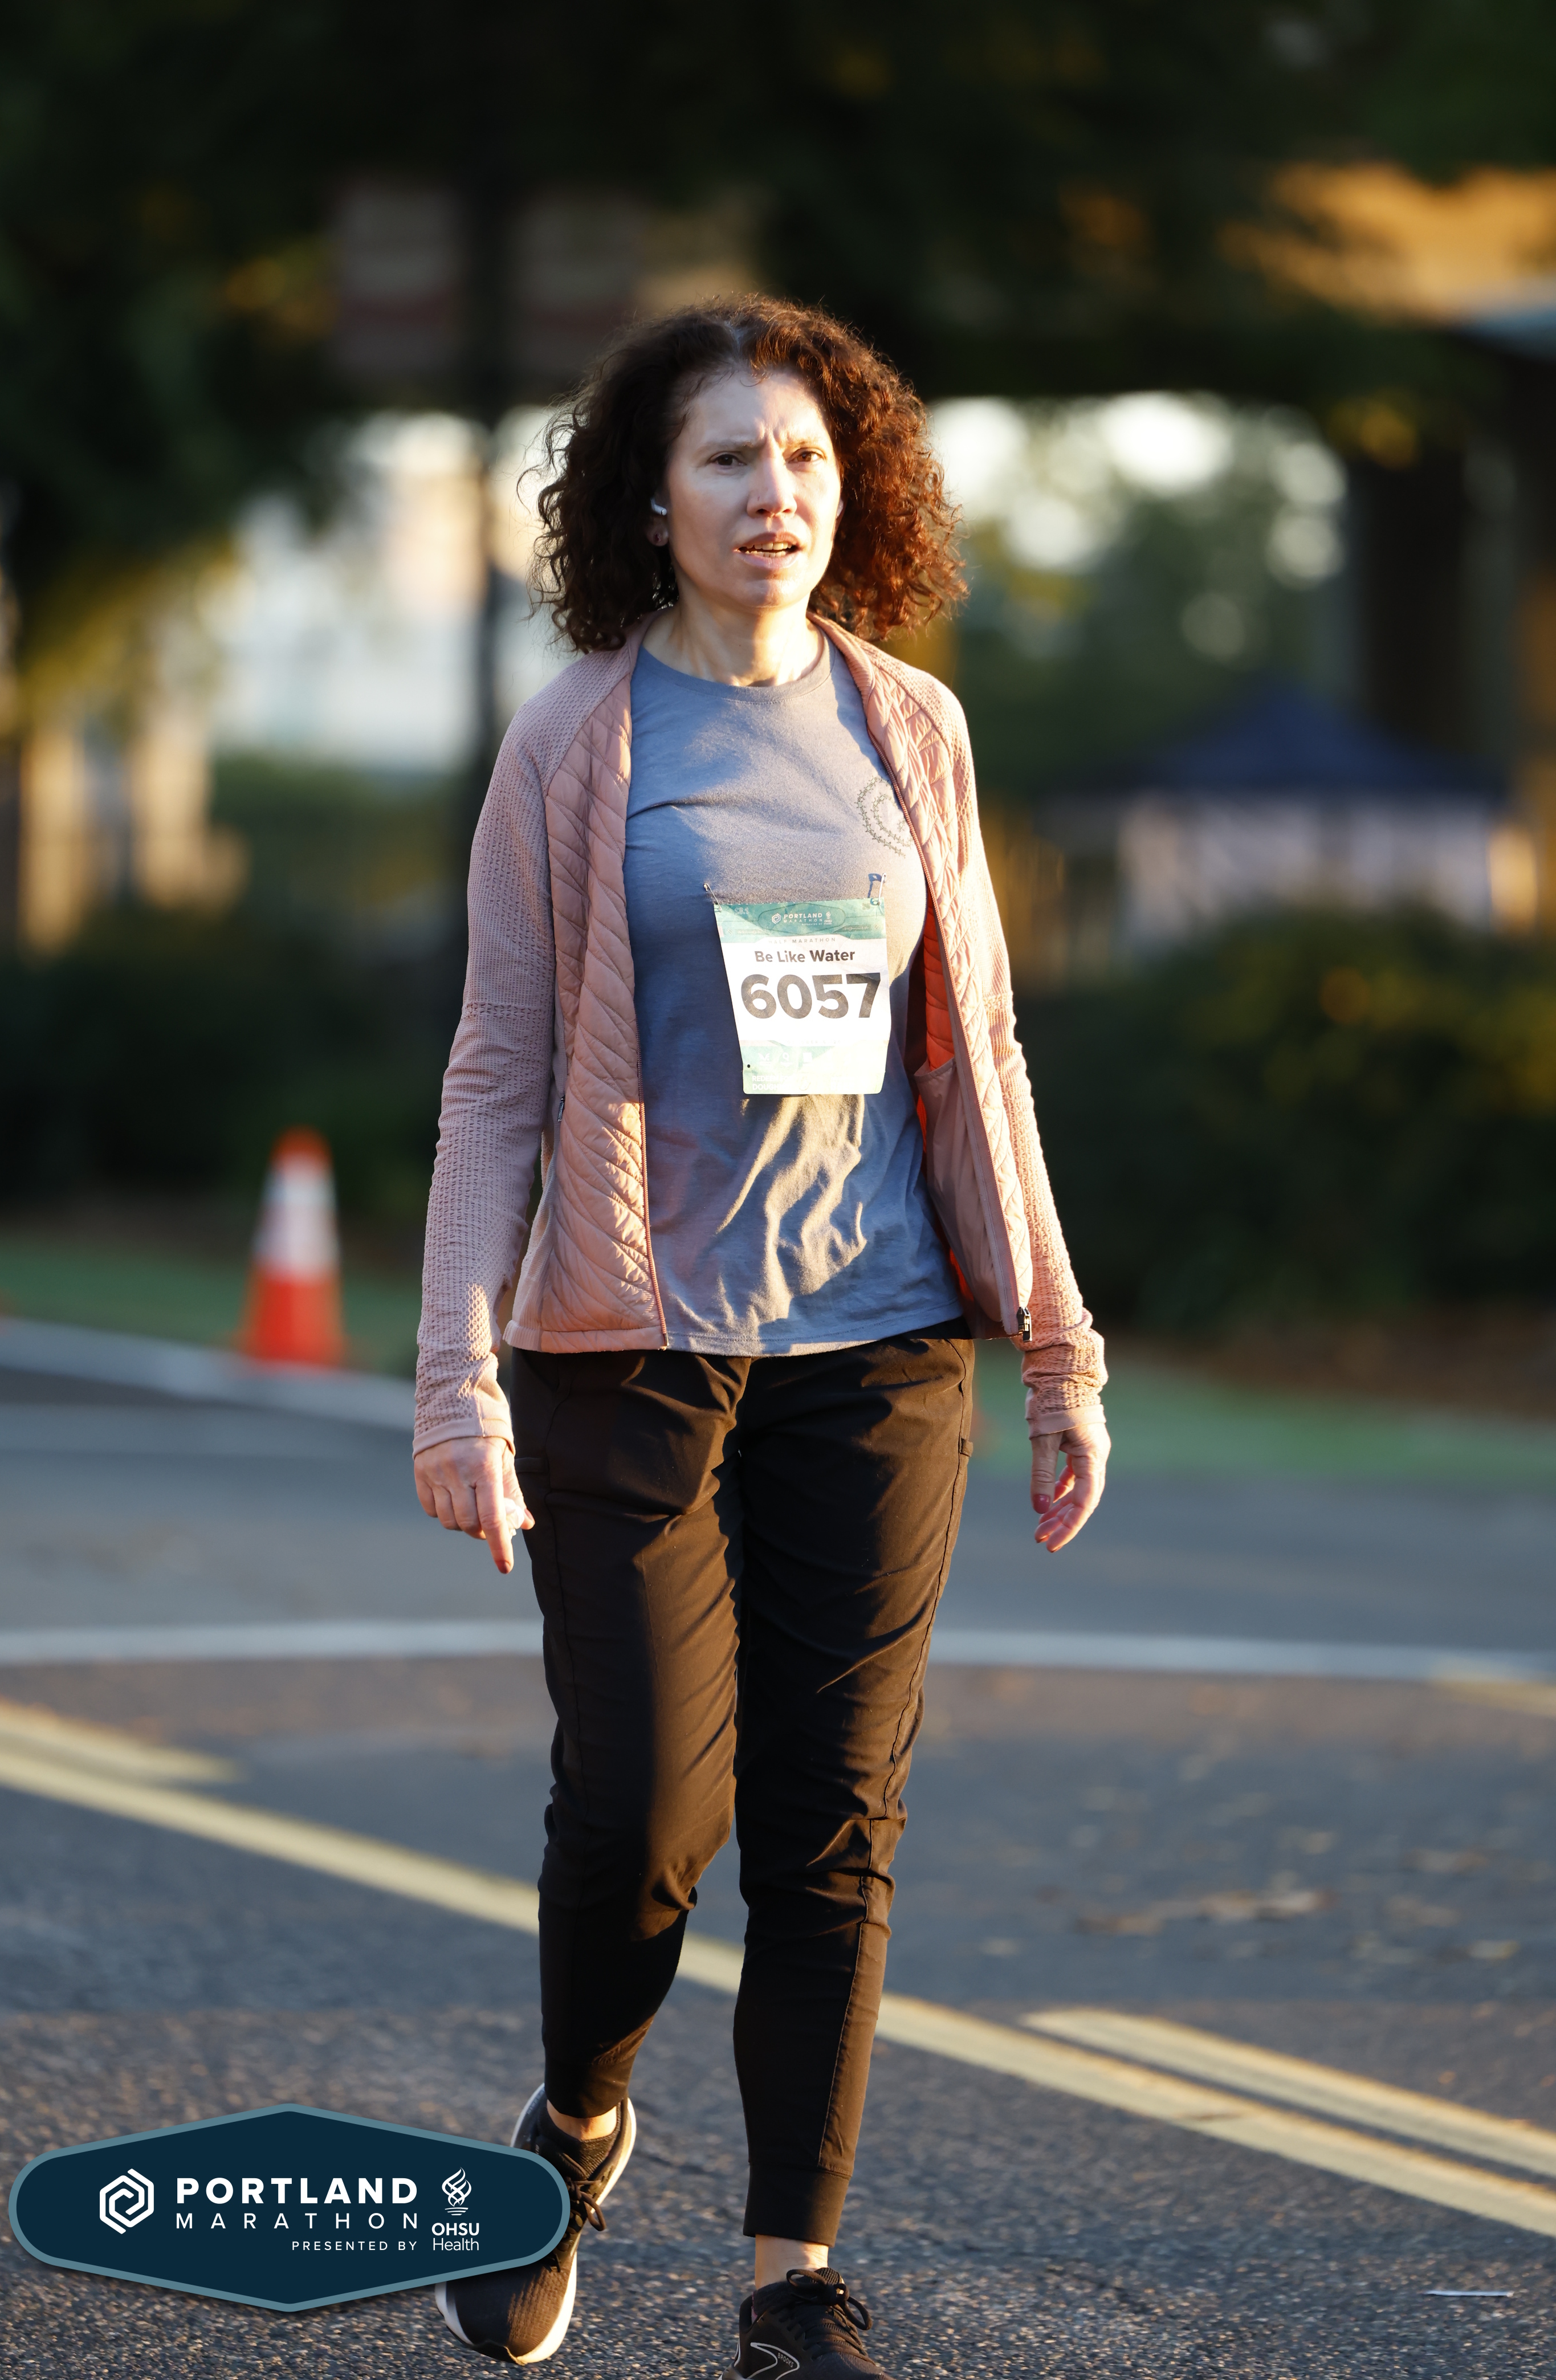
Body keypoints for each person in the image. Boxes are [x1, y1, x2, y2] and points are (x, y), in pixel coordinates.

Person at [412, 295, 1109, 2377]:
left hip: (878, 1349)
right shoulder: (576, 741)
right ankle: (572, 2131)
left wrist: (1056, 1343)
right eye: (728, 458)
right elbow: (495, 1076)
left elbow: (981, 1050)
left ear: (851, 490)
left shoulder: (912, 728)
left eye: (805, 458)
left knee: (831, 1826)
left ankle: (791, 2282)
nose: (772, 494)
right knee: (641, 1811)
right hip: (630, 1348)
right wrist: (457, 1382)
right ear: (651, 498)